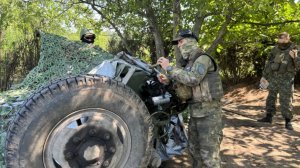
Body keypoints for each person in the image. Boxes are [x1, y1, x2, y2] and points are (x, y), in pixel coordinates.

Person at [156, 29, 224, 168]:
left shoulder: (203, 59)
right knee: (194, 152)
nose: (179, 45)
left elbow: (193, 79)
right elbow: (185, 84)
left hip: (209, 114)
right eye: (178, 43)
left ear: (191, 41)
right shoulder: (189, 64)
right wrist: (168, 81)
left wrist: (169, 68)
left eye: (181, 41)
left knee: (209, 157)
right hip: (196, 113)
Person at [258, 32, 300, 130]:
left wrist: (295, 57)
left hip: (287, 80)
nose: (282, 40)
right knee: (271, 98)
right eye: (280, 39)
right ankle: (269, 117)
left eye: (285, 39)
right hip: (273, 78)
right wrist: (264, 76)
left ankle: (288, 121)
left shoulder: (295, 49)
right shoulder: (275, 49)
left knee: (286, 100)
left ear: (288, 38)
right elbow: (269, 63)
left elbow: (298, 66)